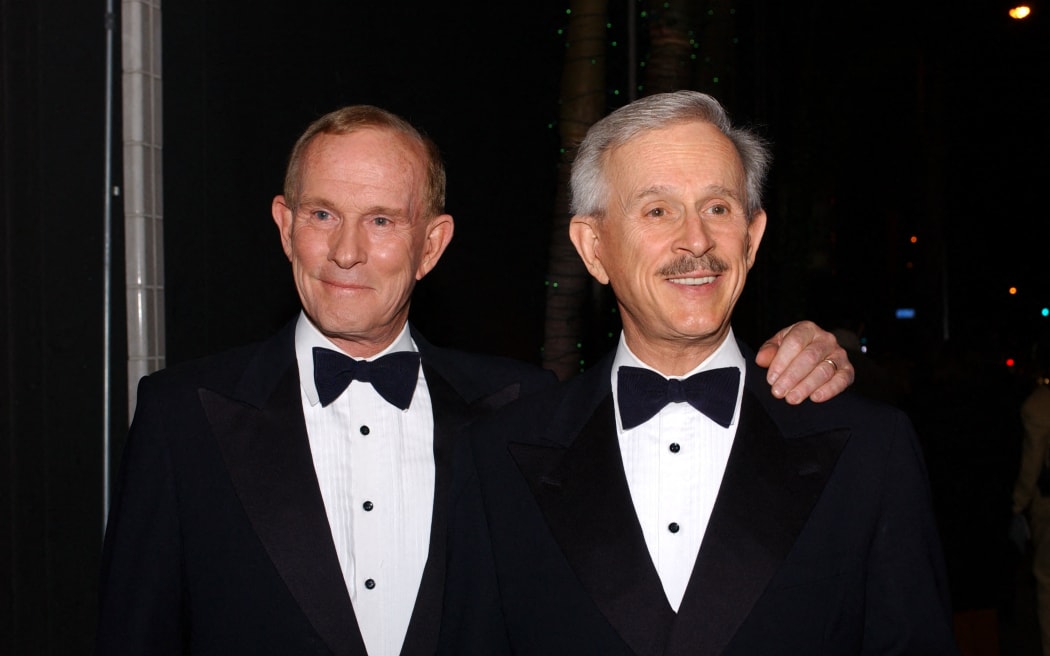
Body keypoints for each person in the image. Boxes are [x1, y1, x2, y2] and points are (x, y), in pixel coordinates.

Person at [96, 104, 855, 656]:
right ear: (285, 225)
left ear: (432, 243)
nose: (348, 252)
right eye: (324, 215)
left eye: (384, 221)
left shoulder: (525, 413)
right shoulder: (179, 418)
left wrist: (809, 352)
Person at [438, 91, 957, 655]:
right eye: (658, 210)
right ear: (593, 248)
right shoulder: (496, 457)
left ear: (752, 238)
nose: (697, 240)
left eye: (717, 207)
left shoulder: (872, 450)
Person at [1012, 369, 1050, 655]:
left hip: (1047, 504)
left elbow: (1032, 461)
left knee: (1047, 582)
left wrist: (1017, 504)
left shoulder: (1039, 404)